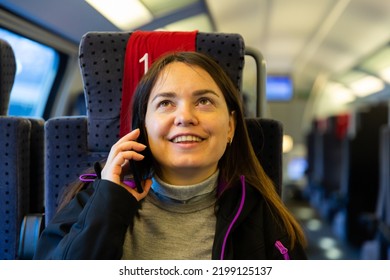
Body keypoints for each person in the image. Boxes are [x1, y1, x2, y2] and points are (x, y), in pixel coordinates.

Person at [34, 51, 307, 260]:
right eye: (165, 103)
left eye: (204, 101)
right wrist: (108, 204)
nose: (185, 117)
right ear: (144, 126)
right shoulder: (93, 201)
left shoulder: (264, 217)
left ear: (231, 126)